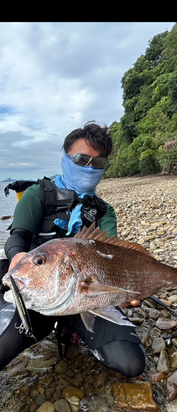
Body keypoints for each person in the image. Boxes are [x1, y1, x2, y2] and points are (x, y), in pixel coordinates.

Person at [0, 122, 146, 376]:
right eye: (81, 159)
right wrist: (18, 257)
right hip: (38, 293)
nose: (90, 167)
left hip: (85, 297)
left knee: (131, 364)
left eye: (97, 163)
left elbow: (111, 257)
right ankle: (47, 322)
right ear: (65, 158)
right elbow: (18, 236)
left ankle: (71, 326)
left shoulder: (104, 211)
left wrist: (126, 290)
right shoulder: (38, 194)